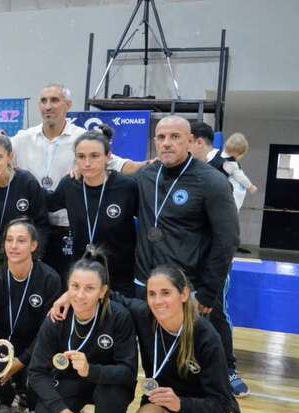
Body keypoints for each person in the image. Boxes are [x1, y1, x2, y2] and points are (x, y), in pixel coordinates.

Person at [63, 265, 245, 413]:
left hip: (205, 409)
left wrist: (181, 403)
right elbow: (106, 293)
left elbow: (221, 403)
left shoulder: (206, 336)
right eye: (151, 294)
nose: (157, 301)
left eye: (165, 293)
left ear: (184, 294)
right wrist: (68, 296)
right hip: (162, 405)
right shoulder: (144, 315)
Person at [0, 84, 140, 281]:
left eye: (54, 100)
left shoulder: (83, 140)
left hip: (69, 232)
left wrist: (152, 164)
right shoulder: (24, 137)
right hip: (34, 231)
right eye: (43, 101)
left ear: (68, 105)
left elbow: (121, 164)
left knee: (67, 285)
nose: (48, 106)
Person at [135, 116, 245, 397]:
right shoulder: (146, 176)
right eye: (161, 137)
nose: (167, 143)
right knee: (157, 355)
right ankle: (161, 411)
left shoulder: (212, 181)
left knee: (196, 361)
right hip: (151, 288)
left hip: (190, 290)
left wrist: (207, 293)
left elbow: (227, 240)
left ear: (190, 141)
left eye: (175, 137)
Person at [28, 249, 137, 413]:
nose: (79, 295)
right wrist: (63, 411)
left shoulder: (118, 317)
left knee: (111, 401)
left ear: (103, 292)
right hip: (71, 383)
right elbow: (36, 372)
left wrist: (92, 370)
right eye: (75, 286)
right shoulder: (58, 316)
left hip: (106, 382)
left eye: (89, 288)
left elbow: (128, 372)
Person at [0, 218, 61, 413]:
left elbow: (48, 331)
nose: (13, 246)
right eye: (9, 240)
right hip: (2, 346)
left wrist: (22, 361)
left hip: (36, 347)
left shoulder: (50, 279)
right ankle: (5, 398)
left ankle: (31, 400)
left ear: (34, 245)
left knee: (37, 373)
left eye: (21, 241)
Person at [47, 130, 139, 295]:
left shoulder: (127, 187)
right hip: (83, 279)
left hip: (119, 279)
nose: (87, 163)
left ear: (108, 156)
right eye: (81, 157)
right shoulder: (70, 185)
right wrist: (13, 173)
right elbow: (46, 202)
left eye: (94, 156)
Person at [0, 134, 50, 269]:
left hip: (25, 262)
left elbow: (41, 225)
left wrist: (35, 258)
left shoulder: (27, 182)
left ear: (10, 157)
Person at [190, 123, 257, 211]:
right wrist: (251, 187)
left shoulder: (215, 154)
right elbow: (241, 178)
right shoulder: (232, 164)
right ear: (239, 154)